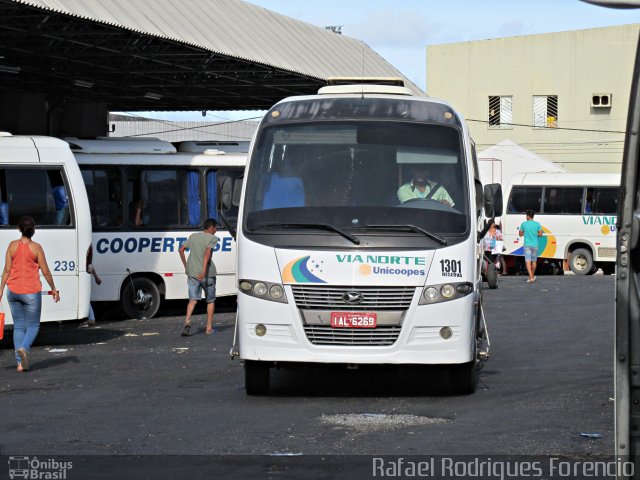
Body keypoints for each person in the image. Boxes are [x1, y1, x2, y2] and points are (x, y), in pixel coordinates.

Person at [0, 216, 60, 372]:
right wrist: (53, 288)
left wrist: (0, 290)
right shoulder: (37, 248)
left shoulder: (12, 246)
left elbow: (7, 270)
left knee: (19, 327)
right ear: (33, 230)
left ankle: (20, 363)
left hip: (13, 291)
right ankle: (24, 349)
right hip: (31, 292)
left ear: (19, 229)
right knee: (33, 326)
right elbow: (45, 271)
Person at [178, 218, 219, 336]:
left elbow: (181, 250)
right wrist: (204, 269)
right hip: (207, 274)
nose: (216, 231)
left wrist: (186, 266)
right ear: (211, 228)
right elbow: (207, 253)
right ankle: (209, 328)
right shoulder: (212, 238)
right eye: (216, 228)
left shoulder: (193, 236)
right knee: (210, 301)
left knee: (192, 300)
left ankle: (187, 322)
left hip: (192, 273)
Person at [519, 209, 544, 283]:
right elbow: (540, 234)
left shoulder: (523, 224)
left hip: (527, 245)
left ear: (527, 216)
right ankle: (532, 276)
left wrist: (525, 233)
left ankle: (531, 277)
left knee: (527, 261)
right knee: (534, 261)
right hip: (535, 245)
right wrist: (535, 234)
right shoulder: (537, 224)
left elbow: (520, 234)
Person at [80, 245, 102, 328]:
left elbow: (89, 264)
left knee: (83, 297)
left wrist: (96, 277)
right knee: (84, 297)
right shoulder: (88, 247)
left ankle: (91, 318)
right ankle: (91, 318)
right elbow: (90, 265)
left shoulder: (85, 247)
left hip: (83, 274)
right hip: (85, 274)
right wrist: (96, 277)